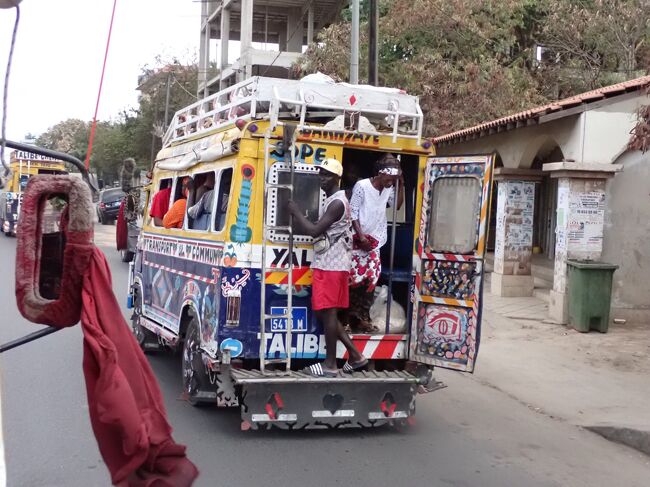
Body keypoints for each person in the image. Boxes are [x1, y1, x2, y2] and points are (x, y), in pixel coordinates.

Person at [287, 158, 367, 377]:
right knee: (324, 313)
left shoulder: (337, 203)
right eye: (320, 174)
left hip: (331, 266)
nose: (321, 178)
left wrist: (294, 212)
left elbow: (314, 232)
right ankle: (356, 356)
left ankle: (330, 365)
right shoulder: (334, 200)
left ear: (336, 178)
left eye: (326, 175)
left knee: (328, 314)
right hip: (330, 264)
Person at [346, 154, 404, 333]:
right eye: (390, 179)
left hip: (375, 242)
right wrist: (361, 236)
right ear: (380, 173)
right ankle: (346, 320)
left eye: (394, 180)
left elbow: (397, 206)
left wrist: (401, 184)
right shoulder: (362, 186)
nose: (391, 182)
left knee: (370, 281)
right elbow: (353, 213)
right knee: (351, 281)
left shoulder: (389, 188)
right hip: (357, 241)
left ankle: (362, 318)